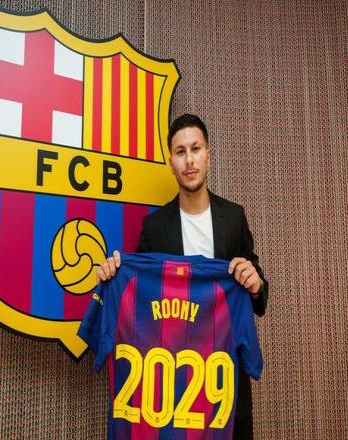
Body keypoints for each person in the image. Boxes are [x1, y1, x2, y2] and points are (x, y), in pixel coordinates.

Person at [97, 113, 268, 439]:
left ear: (208, 156)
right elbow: (138, 298)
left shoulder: (234, 217)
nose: (189, 160)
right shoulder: (154, 226)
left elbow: (257, 292)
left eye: (195, 149)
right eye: (180, 152)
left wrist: (255, 284)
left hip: (223, 376)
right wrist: (114, 276)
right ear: (171, 163)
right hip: (172, 381)